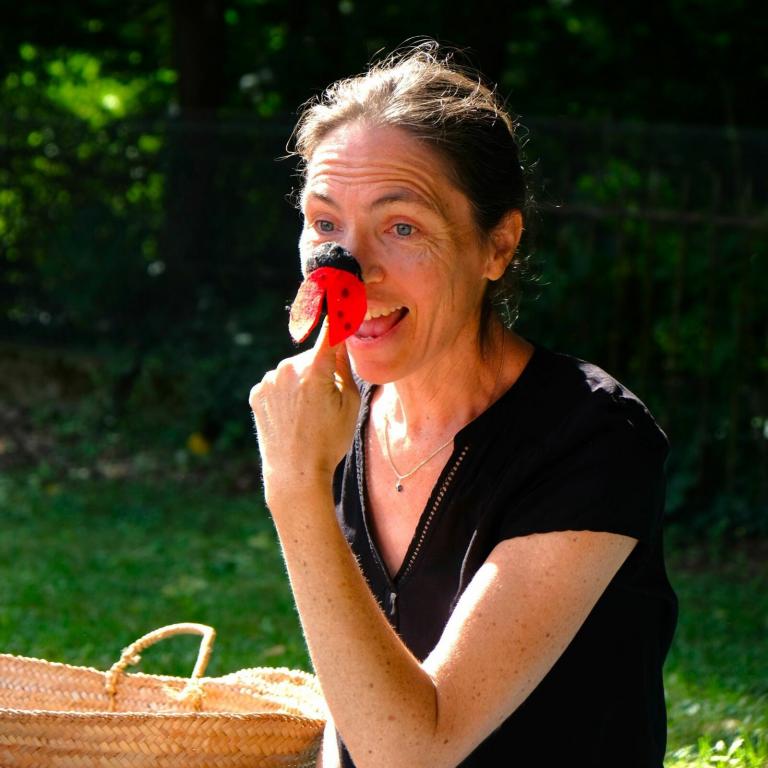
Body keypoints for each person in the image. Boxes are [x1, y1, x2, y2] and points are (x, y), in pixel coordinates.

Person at [249, 43, 677, 768]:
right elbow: (357, 711)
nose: (350, 268)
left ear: (497, 246)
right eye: (326, 225)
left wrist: (293, 491)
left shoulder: (593, 440)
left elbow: (411, 751)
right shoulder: (340, 418)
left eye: (402, 227)